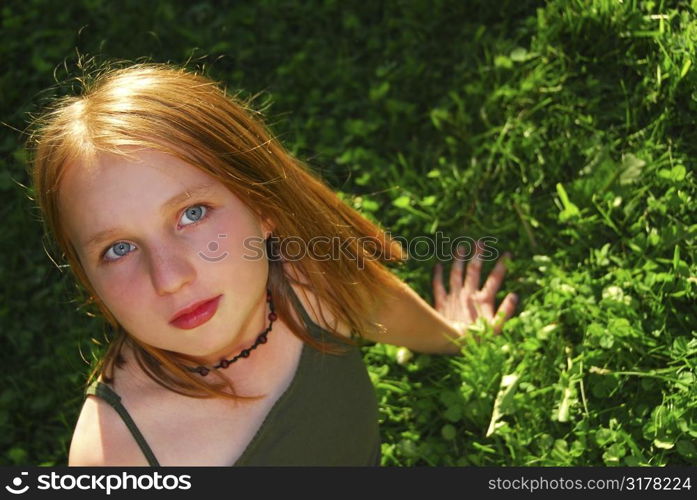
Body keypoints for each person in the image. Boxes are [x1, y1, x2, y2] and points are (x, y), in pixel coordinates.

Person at [29, 63, 518, 466]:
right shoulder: (118, 458)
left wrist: (455, 335)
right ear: (87, 276)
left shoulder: (312, 277)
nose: (171, 277)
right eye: (117, 248)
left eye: (191, 214)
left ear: (263, 205)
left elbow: (377, 305)